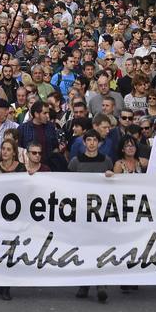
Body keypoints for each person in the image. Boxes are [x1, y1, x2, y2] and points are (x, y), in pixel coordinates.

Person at [69, 130, 112, 303]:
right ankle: (84, 283)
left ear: (99, 143)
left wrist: (111, 176)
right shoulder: (75, 162)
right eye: (89, 140)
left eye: (95, 140)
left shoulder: (106, 161)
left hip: (101, 213)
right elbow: (67, 185)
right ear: (84, 142)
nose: (92, 143)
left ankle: (101, 283)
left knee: (100, 247)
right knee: (84, 248)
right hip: (81, 212)